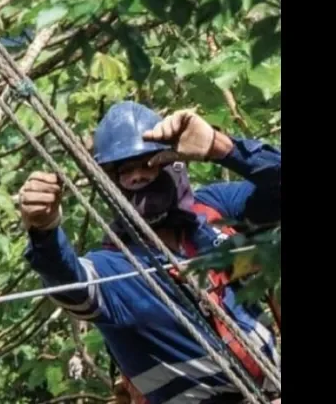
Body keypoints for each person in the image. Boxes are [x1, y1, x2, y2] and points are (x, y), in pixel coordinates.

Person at [17, 101, 281, 403]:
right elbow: (67, 281)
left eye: (148, 162)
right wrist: (44, 230)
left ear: (174, 163)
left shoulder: (214, 211)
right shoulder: (114, 268)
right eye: (124, 170)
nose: (138, 176)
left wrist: (220, 147)